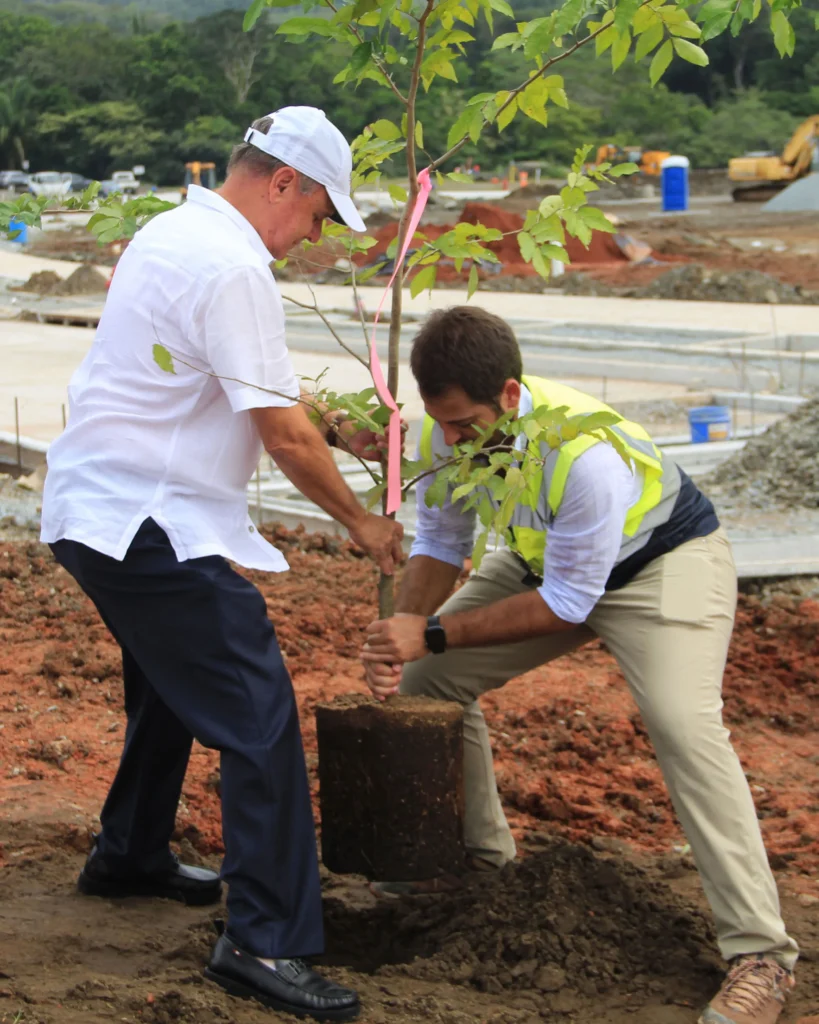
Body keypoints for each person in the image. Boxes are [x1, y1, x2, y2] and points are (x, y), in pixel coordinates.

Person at [41, 106, 405, 1022]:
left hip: (104, 505)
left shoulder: (176, 230)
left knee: (170, 686)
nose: (312, 238)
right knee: (255, 712)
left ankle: (130, 857)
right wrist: (362, 522)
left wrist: (342, 429)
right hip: (148, 517)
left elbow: (241, 389)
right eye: (319, 215)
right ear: (283, 182)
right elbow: (279, 432)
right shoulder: (235, 265)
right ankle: (266, 940)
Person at [361, 306, 798, 1024]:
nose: (451, 439)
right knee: (426, 682)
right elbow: (440, 545)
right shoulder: (440, 439)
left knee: (681, 725)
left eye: (465, 424)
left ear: (508, 395)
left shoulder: (584, 455)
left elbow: (567, 606)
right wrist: (400, 633)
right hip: (549, 562)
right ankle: (480, 868)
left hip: (661, 564)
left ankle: (760, 955)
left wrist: (433, 634)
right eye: (439, 423)